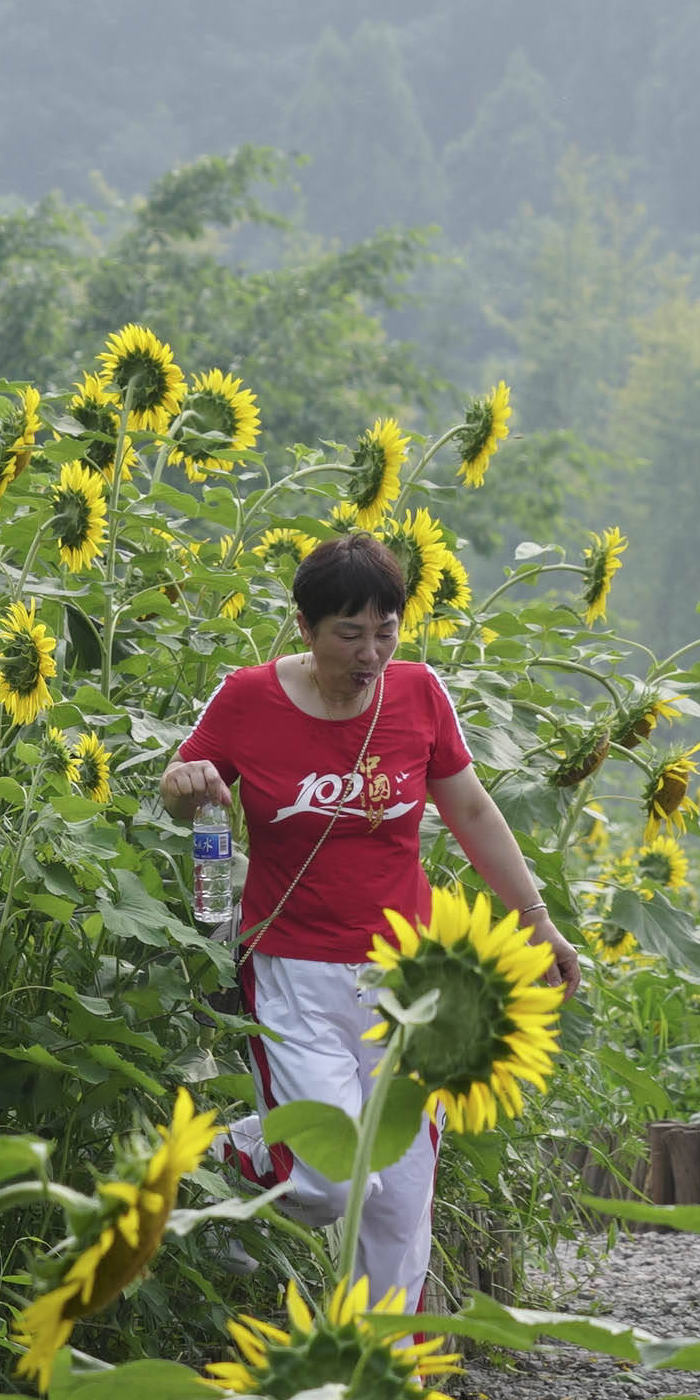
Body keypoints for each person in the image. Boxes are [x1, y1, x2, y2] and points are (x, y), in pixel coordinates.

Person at [159, 529, 592, 1305]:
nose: (370, 653)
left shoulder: (420, 694)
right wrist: (189, 785)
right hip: (290, 965)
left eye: (385, 632)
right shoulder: (247, 698)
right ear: (305, 628)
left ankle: (386, 1380)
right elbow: (184, 786)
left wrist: (537, 920)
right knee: (325, 1180)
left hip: (406, 982)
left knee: (396, 1199)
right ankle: (216, 1152)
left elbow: (471, 809)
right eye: (348, 634)